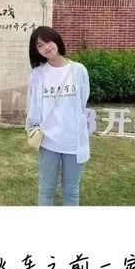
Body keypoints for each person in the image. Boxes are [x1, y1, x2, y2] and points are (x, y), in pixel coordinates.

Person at [26, 26, 90, 206]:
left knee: (71, 191)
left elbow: (82, 102)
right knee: (46, 190)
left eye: (48, 41)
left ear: (56, 40)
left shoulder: (78, 70)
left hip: (73, 142)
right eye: (40, 45)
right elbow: (33, 106)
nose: (46, 47)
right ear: (36, 51)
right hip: (48, 142)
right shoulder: (37, 75)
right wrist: (33, 130)